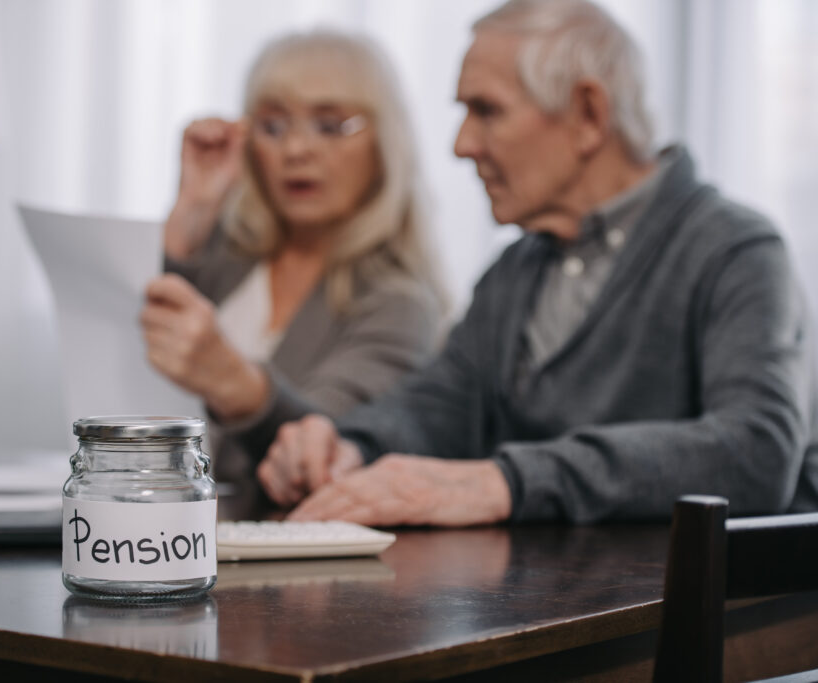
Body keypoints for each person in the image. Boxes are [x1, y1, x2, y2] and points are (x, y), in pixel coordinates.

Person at [255, 0, 818, 524]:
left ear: (589, 114)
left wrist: (506, 482)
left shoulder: (734, 249)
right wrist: (347, 445)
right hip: (563, 612)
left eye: (486, 111)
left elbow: (755, 454)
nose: (461, 144)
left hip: (712, 625)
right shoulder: (515, 272)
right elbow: (436, 407)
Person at [140, 31, 446, 482]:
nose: (296, 150)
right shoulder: (228, 256)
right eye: (273, 126)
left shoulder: (399, 305)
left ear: (383, 145)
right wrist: (191, 214)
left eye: (329, 126)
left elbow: (327, 448)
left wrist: (239, 387)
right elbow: (131, 358)